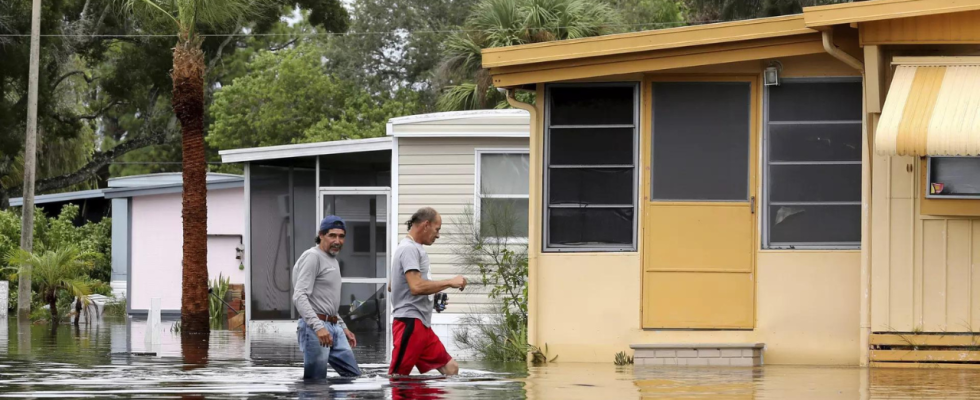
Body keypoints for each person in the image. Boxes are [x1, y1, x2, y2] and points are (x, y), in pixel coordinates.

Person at [388, 207, 467, 376]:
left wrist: (432, 296)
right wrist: (449, 282)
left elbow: (393, 285)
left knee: (451, 368)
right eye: (437, 229)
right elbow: (416, 287)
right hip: (409, 322)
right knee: (397, 377)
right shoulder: (409, 249)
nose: (438, 235)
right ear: (426, 225)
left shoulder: (412, 248)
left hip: (422, 324)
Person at [292, 215, 361, 379]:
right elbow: (299, 296)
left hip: (334, 326)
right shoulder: (313, 257)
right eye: (332, 235)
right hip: (315, 327)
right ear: (321, 235)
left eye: (341, 236)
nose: (337, 241)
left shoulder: (332, 260)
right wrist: (318, 327)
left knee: (353, 376)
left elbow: (327, 303)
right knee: (315, 384)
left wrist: (343, 327)